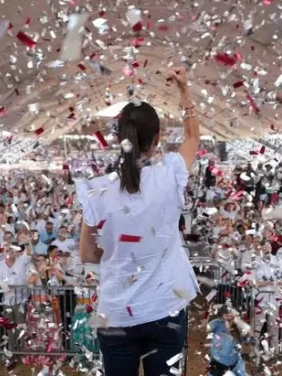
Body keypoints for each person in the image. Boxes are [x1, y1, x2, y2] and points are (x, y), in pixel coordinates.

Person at [76, 66, 200, 376]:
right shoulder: (170, 174)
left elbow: (87, 254)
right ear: (157, 137)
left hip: (117, 311)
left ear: (118, 138)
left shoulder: (98, 191)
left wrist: (121, 255)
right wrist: (184, 90)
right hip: (165, 306)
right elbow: (192, 135)